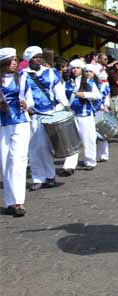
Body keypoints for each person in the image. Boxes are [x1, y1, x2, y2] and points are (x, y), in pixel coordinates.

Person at [20, 46, 69, 191]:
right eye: (35, 57)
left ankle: (50, 175)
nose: (38, 59)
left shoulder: (50, 73)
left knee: (45, 146)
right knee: (34, 148)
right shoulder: (23, 75)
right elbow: (21, 95)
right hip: (33, 115)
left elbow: (58, 90)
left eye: (40, 56)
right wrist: (25, 107)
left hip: (49, 114)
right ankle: (37, 178)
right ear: (29, 60)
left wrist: (65, 104)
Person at [0, 48, 32, 217]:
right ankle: (10, 202)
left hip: (20, 122)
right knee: (5, 162)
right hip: (2, 124)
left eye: (15, 60)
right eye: (11, 60)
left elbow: (30, 99)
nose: (14, 62)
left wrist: (26, 104)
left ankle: (19, 201)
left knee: (18, 159)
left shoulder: (24, 78)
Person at [67, 63, 103, 171]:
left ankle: (90, 161)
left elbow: (98, 95)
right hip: (72, 115)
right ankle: (69, 165)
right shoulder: (67, 83)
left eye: (78, 67)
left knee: (88, 139)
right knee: (71, 140)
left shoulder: (89, 82)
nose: (75, 70)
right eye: (73, 68)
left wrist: (85, 95)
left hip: (85, 114)